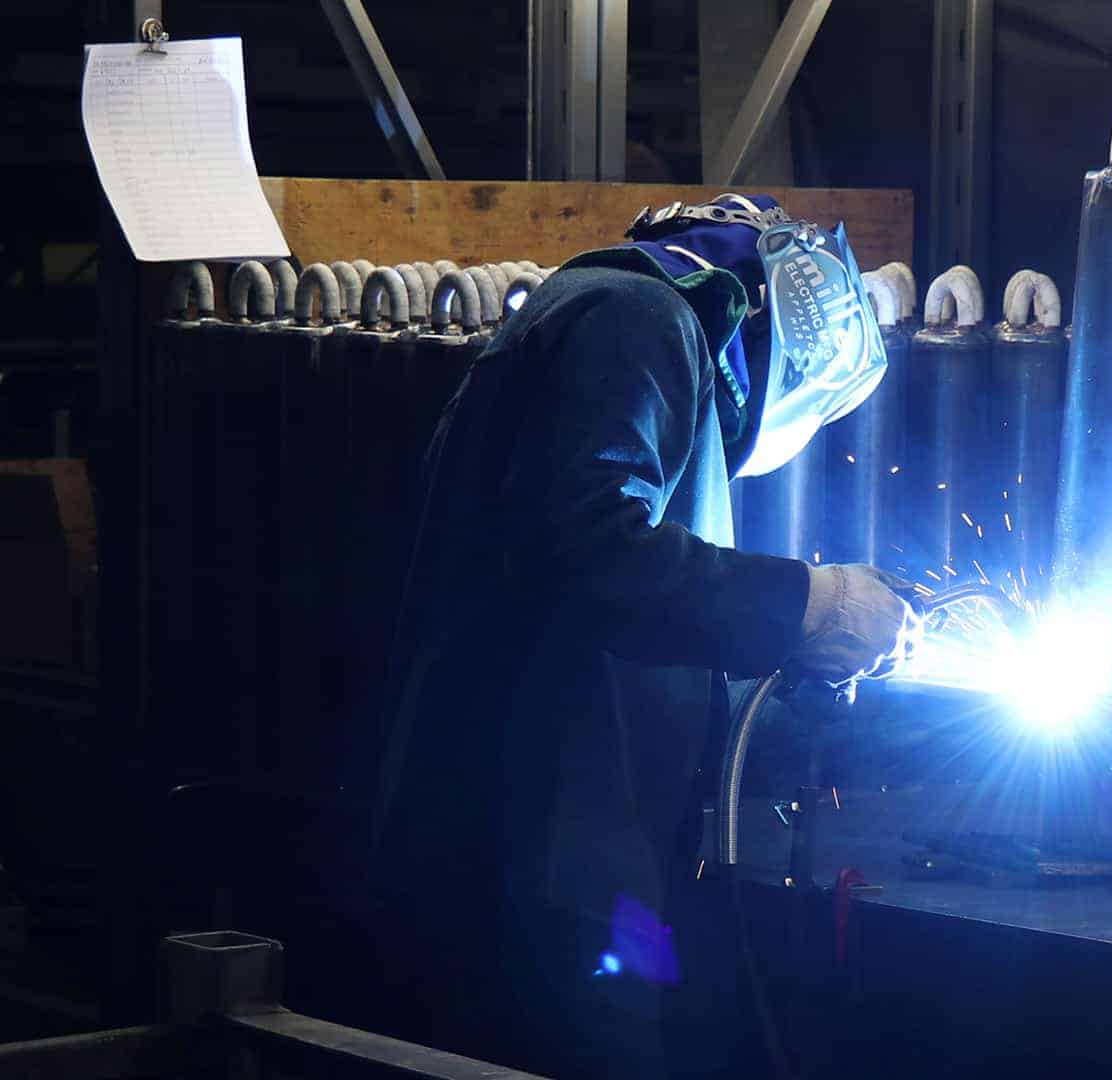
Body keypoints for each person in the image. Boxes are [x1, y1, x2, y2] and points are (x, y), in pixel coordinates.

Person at [367, 194, 917, 1076]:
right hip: (534, 868)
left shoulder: (618, 322)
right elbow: (591, 553)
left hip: (555, 860)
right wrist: (806, 603)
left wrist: (794, 687)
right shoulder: (638, 320)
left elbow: (625, 630)